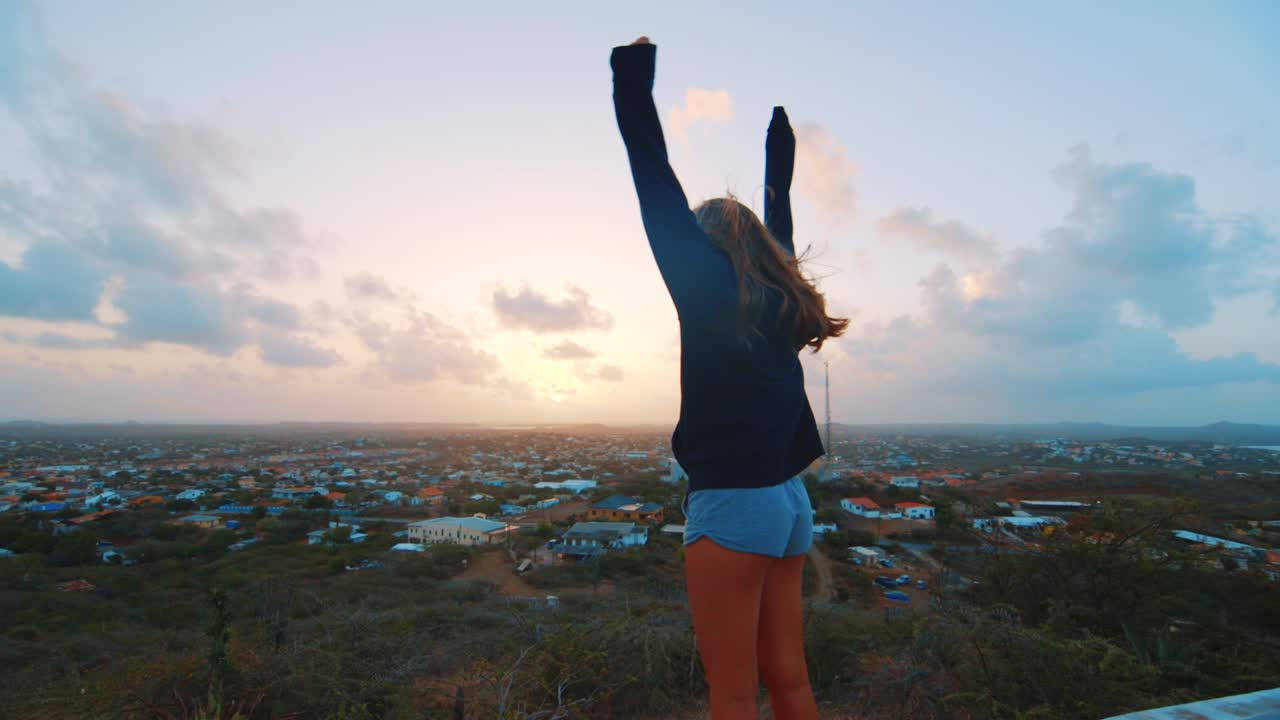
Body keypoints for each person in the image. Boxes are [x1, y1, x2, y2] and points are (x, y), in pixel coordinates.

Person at [610, 36, 850, 720]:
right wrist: (778, 159)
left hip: (736, 502)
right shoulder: (781, 301)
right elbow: (779, 227)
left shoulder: (706, 289)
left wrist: (632, 81)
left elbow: (652, 175)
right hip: (787, 499)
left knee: (733, 690)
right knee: (790, 677)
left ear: (702, 244)